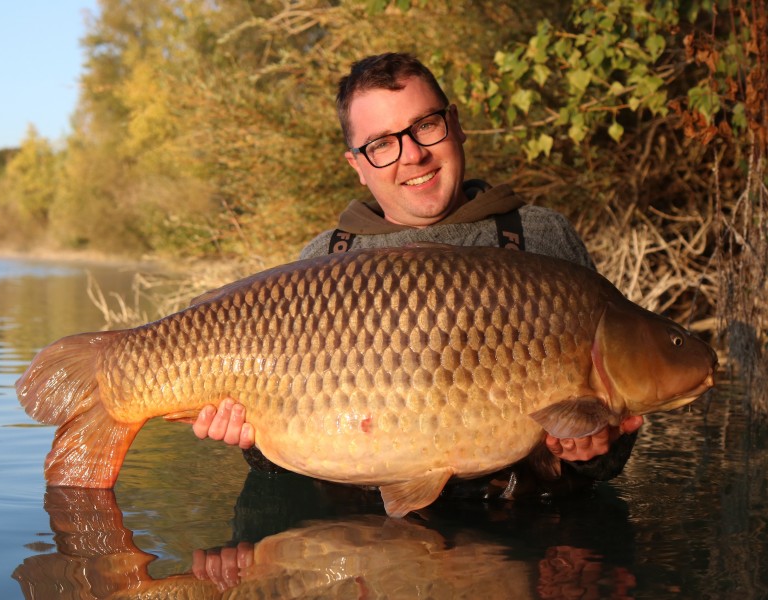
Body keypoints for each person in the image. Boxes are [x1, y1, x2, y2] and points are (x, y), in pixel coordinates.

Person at [191, 52, 643, 502]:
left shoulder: (541, 236)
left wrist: (594, 449)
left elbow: (611, 456)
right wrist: (251, 443)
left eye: (425, 125)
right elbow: (286, 456)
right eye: (381, 144)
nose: (413, 155)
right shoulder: (322, 259)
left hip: (522, 527)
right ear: (357, 166)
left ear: (456, 124)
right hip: (358, 533)